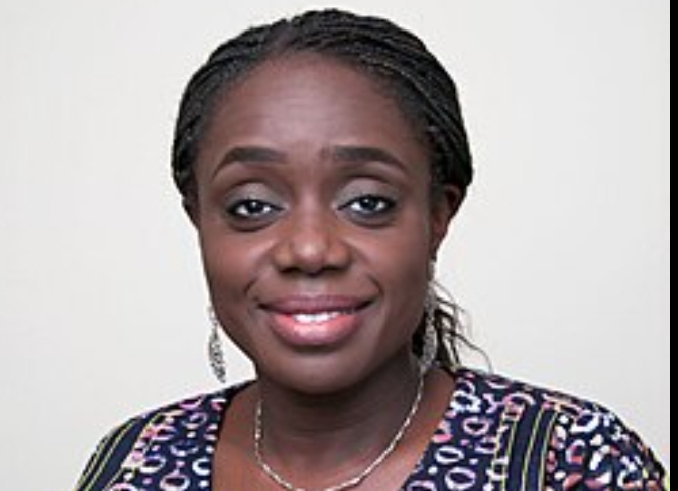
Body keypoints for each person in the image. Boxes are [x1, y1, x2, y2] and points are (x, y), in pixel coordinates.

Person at [73, 7, 667, 491]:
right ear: (199, 221)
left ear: (438, 215)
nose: (310, 249)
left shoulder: (570, 461)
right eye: (252, 206)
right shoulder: (133, 460)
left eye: (368, 202)